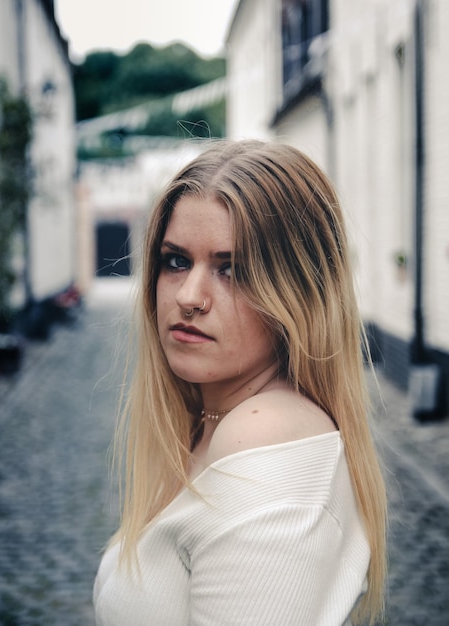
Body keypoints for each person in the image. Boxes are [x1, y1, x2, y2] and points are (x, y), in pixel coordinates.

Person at [93, 140, 387, 625]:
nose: (189, 296)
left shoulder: (261, 434)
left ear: (298, 293)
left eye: (232, 270)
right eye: (176, 261)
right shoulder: (210, 424)